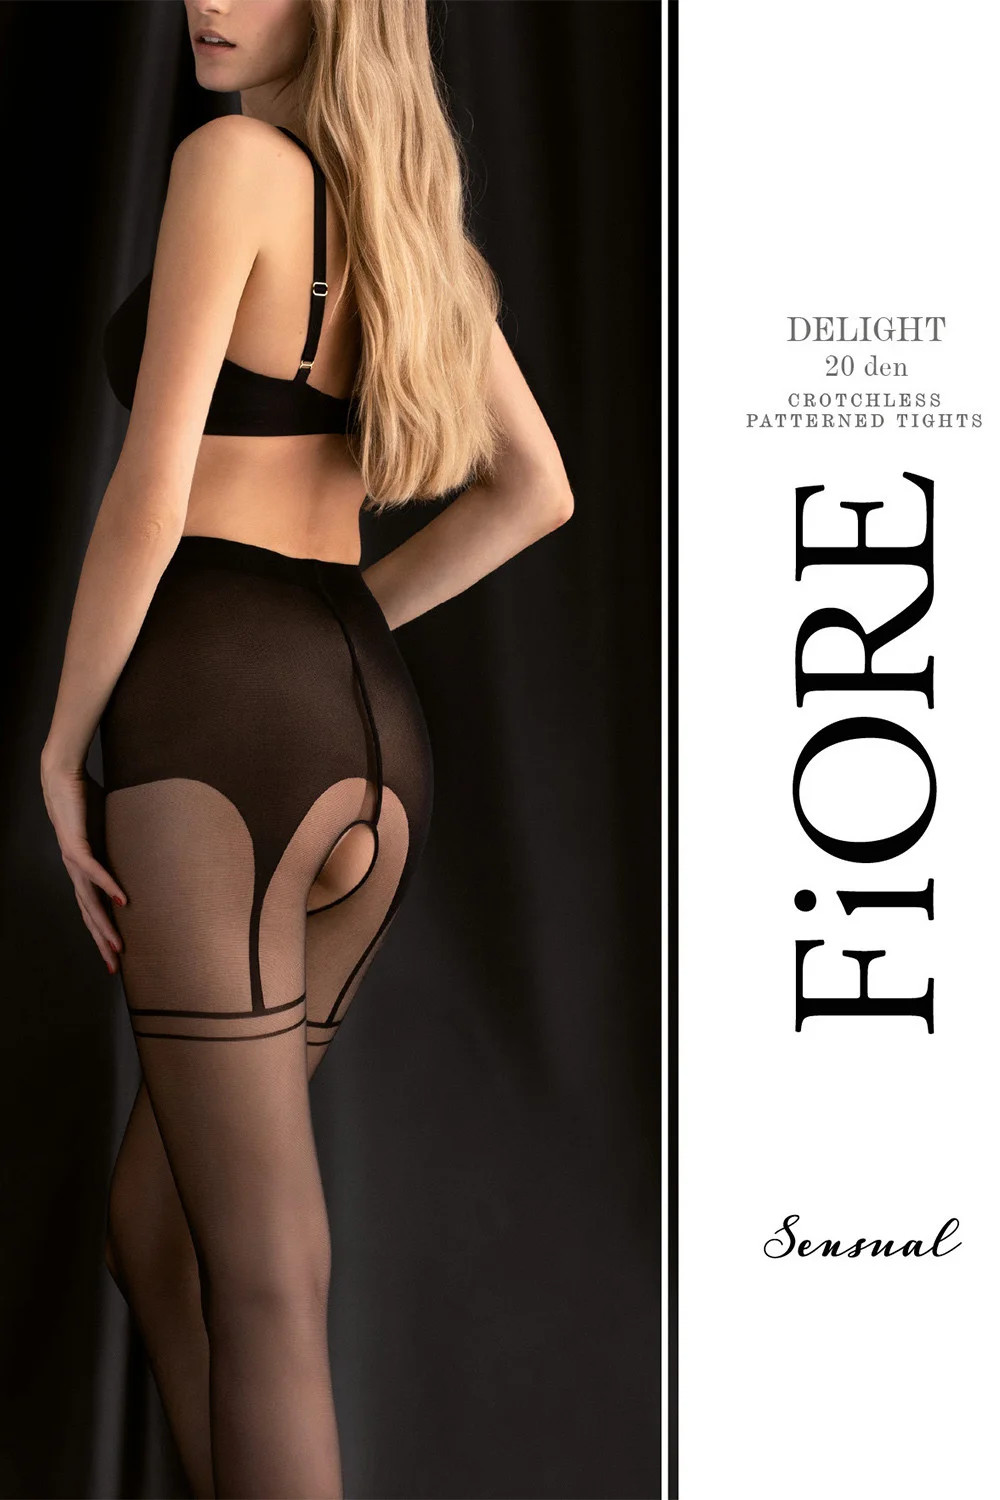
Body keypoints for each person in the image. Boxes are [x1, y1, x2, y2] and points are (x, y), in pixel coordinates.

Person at [38, 1, 573, 1496]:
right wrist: (328, 637)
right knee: (158, 1229)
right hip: (367, 743)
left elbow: (152, 493)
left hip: (218, 741)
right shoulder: (402, 217)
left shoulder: (230, 164)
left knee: (266, 1271)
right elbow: (537, 490)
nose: (211, 1)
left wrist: (62, 746)